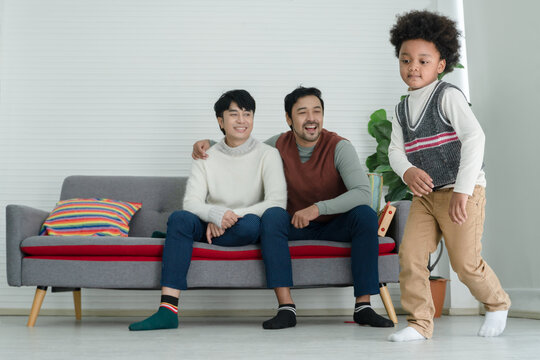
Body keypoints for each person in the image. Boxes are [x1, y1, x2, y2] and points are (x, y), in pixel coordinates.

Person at [193, 86, 394, 329]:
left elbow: (362, 193)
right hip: (294, 225)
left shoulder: (339, 147)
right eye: (302, 112)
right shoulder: (278, 144)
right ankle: (286, 307)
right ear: (289, 118)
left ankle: (363, 306)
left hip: (334, 225)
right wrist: (209, 143)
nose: (311, 118)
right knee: (272, 215)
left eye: (316, 111)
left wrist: (318, 208)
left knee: (364, 215)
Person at [386, 10, 511, 342]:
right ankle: (419, 323)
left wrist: (463, 190)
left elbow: (475, 138)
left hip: (462, 192)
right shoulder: (400, 110)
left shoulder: (448, 96)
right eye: (406, 59)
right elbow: (395, 152)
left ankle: (497, 303)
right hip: (426, 197)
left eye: (423, 61)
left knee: (465, 262)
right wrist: (408, 170)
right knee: (411, 255)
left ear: (441, 64)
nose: (413, 67)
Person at [129, 89, 287, 331]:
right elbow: (191, 203)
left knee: (252, 225)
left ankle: (178, 240)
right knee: (179, 218)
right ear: (220, 121)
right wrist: (215, 214)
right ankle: (167, 310)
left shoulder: (268, 154)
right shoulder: (206, 155)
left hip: (244, 223)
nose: (242, 120)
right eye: (234, 114)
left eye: (247, 114)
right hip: (210, 222)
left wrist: (228, 216)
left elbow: (277, 202)